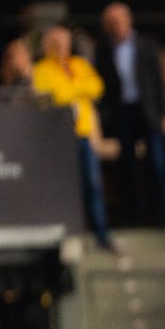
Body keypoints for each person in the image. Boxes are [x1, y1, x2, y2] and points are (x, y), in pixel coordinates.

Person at [33, 26, 112, 249]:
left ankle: (102, 236)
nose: (61, 47)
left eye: (64, 42)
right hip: (58, 138)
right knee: (65, 188)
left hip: (84, 133)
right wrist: (79, 89)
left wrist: (72, 88)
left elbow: (97, 87)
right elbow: (56, 96)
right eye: (56, 43)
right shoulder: (42, 69)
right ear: (48, 45)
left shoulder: (80, 64)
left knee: (93, 185)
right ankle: (69, 235)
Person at [95, 3, 165, 225]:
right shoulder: (105, 49)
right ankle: (133, 216)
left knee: (156, 164)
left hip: (148, 110)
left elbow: (159, 82)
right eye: (111, 22)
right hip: (123, 112)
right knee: (127, 165)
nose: (115, 26)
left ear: (128, 20)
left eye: (118, 20)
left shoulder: (146, 45)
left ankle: (159, 216)